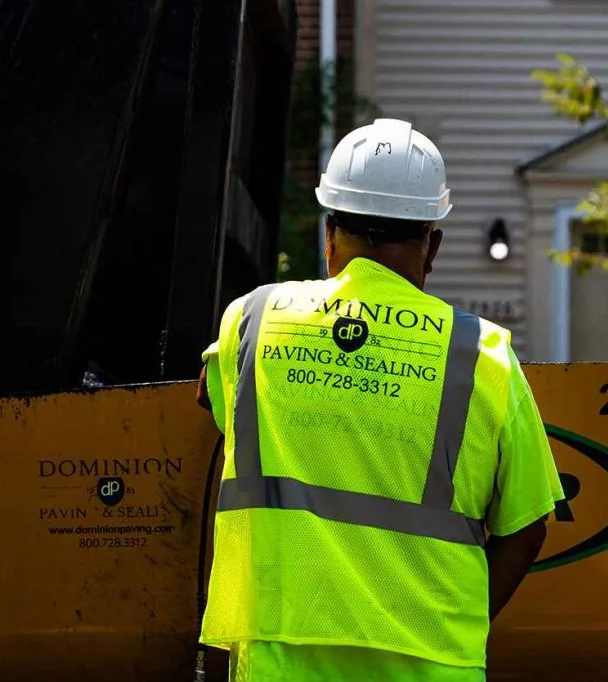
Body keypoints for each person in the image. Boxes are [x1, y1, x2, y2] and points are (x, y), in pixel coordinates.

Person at [195, 118, 564, 681]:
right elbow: (528, 524)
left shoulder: (253, 319)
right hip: (431, 666)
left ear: (329, 235)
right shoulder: (482, 354)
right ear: (432, 246)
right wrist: (454, 628)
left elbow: (209, 394)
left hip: (282, 662)